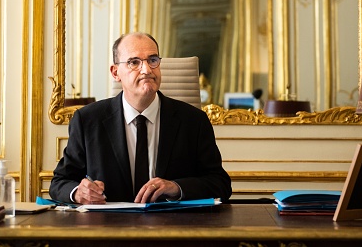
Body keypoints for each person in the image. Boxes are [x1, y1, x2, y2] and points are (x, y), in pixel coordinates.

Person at [49, 32, 232, 204]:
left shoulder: (194, 121)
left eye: (153, 60)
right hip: (107, 229)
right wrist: (78, 193)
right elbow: (60, 182)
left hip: (174, 230)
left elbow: (220, 184)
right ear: (115, 73)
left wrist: (176, 188)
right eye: (134, 62)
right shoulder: (88, 120)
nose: (146, 70)